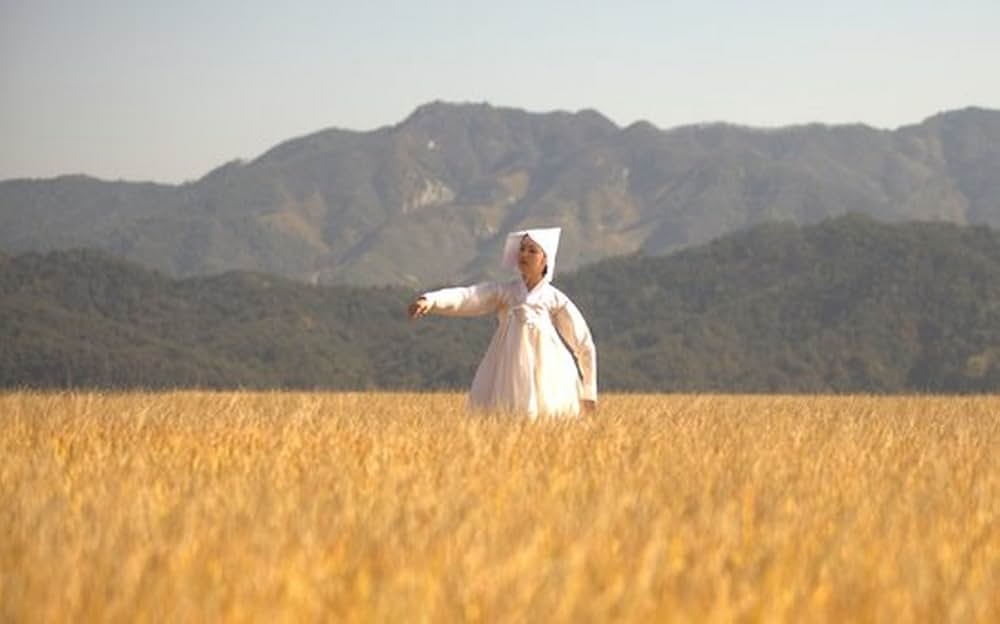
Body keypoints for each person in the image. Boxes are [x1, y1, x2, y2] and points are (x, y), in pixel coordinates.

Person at [408, 227, 597, 419]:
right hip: (507, 370)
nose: (524, 254)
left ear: (545, 260)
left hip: (548, 374)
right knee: (507, 415)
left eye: (532, 251)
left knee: (546, 417)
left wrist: (589, 390)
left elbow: (583, 344)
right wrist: (431, 300)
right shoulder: (506, 292)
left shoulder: (555, 299)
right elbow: (469, 297)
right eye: (522, 249)